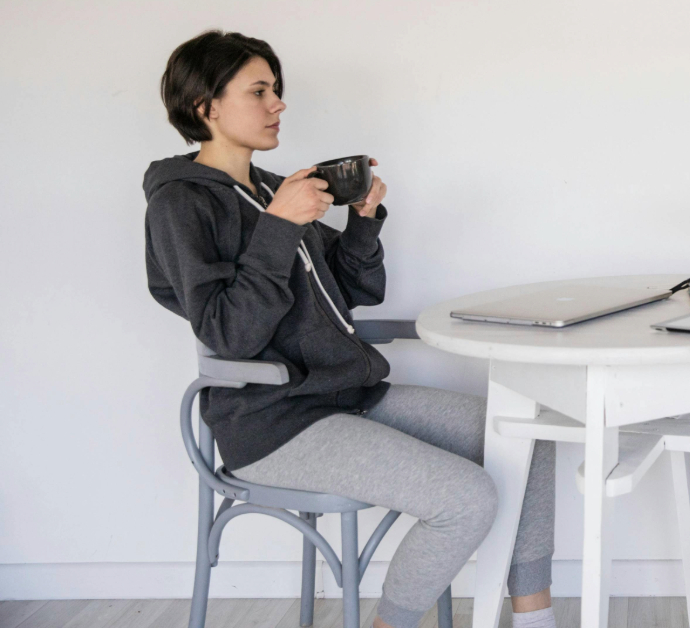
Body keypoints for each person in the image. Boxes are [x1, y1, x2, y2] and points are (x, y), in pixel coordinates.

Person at [144, 31, 557, 628]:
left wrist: (362, 222)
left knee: (530, 439)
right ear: (206, 107)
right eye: (258, 91)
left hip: (348, 396)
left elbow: (353, 290)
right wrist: (281, 226)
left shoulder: (269, 189)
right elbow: (228, 332)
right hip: (274, 422)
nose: (278, 104)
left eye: (277, 91)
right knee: (466, 497)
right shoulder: (181, 204)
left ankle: (533, 618)